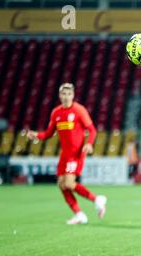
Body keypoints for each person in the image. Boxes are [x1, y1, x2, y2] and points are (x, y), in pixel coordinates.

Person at [27, 83, 107, 225]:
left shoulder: (79, 110)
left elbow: (92, 130)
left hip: (77, 152)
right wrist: (36, 136)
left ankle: (96, 199)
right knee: (61, 184)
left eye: (69, 94)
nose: (66, 96)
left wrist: (89, 144)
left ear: (73, 95)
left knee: (69, 183)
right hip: (65, 154)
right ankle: (79, 214)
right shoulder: (56, 112)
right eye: (63, 94)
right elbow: (48, 133)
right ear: (59, 95)